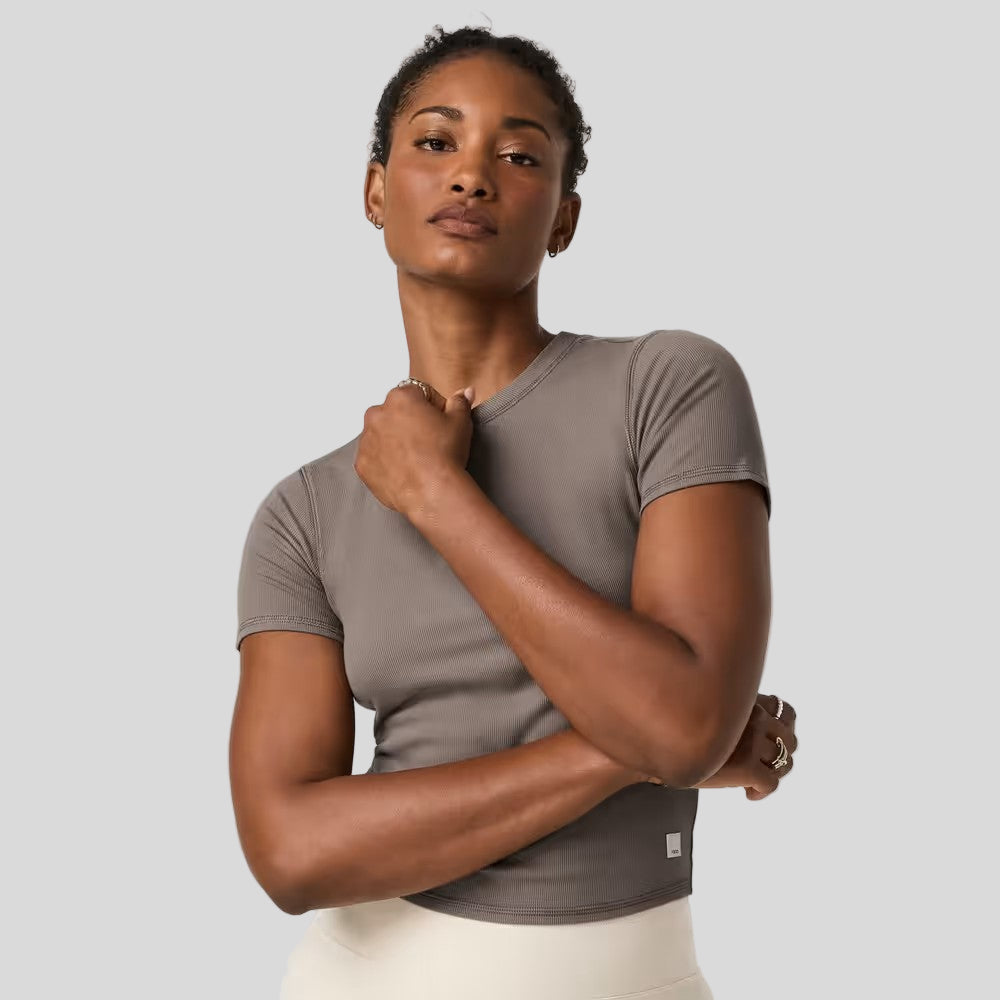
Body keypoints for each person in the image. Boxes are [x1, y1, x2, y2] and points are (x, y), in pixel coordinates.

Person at [230, 24, 798, 1000]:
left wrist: (437, 496)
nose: (472, 176)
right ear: (375, 192)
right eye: (436, 141)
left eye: (521, 156)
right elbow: (289, 850)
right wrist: (637, 754)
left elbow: (682, 727)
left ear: (564, 218)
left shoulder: (669, 387)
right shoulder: (303, 513)